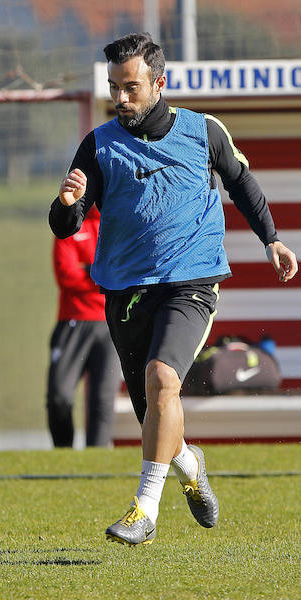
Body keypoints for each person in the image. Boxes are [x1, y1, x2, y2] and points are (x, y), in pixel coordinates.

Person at [50, 33, 297, 545]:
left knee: (163, 378)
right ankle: (188, 463)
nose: (120, 98)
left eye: (131, 87)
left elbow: (242, 182)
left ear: (159, 83)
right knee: (153, 411)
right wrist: (68, 202)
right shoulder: (98, 144)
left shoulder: (203, 131)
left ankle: (144, 509)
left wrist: (271, 239)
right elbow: (65, 223)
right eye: (114, 87)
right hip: (124, 289)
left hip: (192, 281)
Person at [47, 205, 119, 448]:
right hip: (72, 321)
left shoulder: (119, 226)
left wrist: (87, 269)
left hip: (110, 323)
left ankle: (95, 462)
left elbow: (124, 272)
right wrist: (102, 273)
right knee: (59, 396)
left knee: (102, 399)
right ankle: (63, 455)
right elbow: (65, 275)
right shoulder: (69, 225)